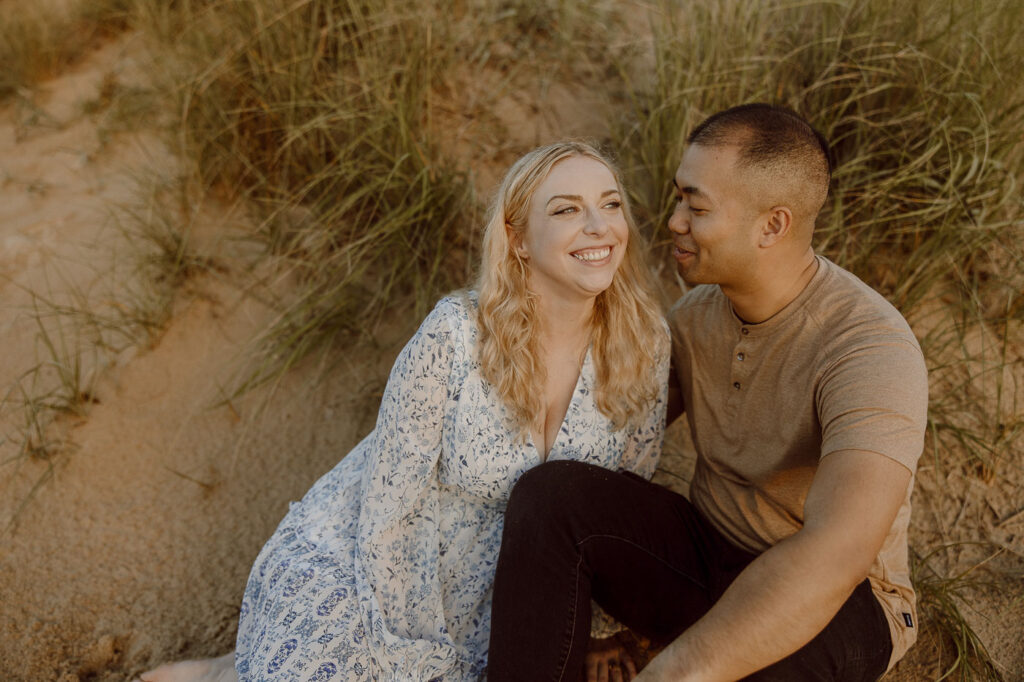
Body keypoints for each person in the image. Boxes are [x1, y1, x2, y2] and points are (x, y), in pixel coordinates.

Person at [138, 140, 670, 682]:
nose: (599, 225)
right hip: (372, 566)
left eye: (610, 204)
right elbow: (391, 503)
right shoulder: (455, 333)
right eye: (566, 210)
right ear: (518, 241)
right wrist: (404, 650)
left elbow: (622, 497)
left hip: (503, 601)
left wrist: (600, 626)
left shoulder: (644, 344)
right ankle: (220, 672)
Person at [487, 104, 929, 682]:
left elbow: (835, 553)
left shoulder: (870, 350)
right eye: (678, 201)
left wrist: (675, 670)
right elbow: (602, 432)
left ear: (773, 225)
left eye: (696, 208)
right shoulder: (695, 317)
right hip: (708, 558)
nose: (673, 221)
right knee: (552, 498)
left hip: (844, 599)